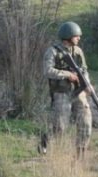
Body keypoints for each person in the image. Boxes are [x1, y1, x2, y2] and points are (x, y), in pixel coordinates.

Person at [40, 21, 93, 159]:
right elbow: (47, 70)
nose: (79, 38)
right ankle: (45, 140)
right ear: (68, 36)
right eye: (76, 36)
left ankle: (80, 155)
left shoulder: (78, 52)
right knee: (61, 127)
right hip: (62, 93)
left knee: (86, 122)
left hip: (79, 92)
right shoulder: (52, 52)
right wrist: (67, 75)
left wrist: (87, 83)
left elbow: (84, 70)